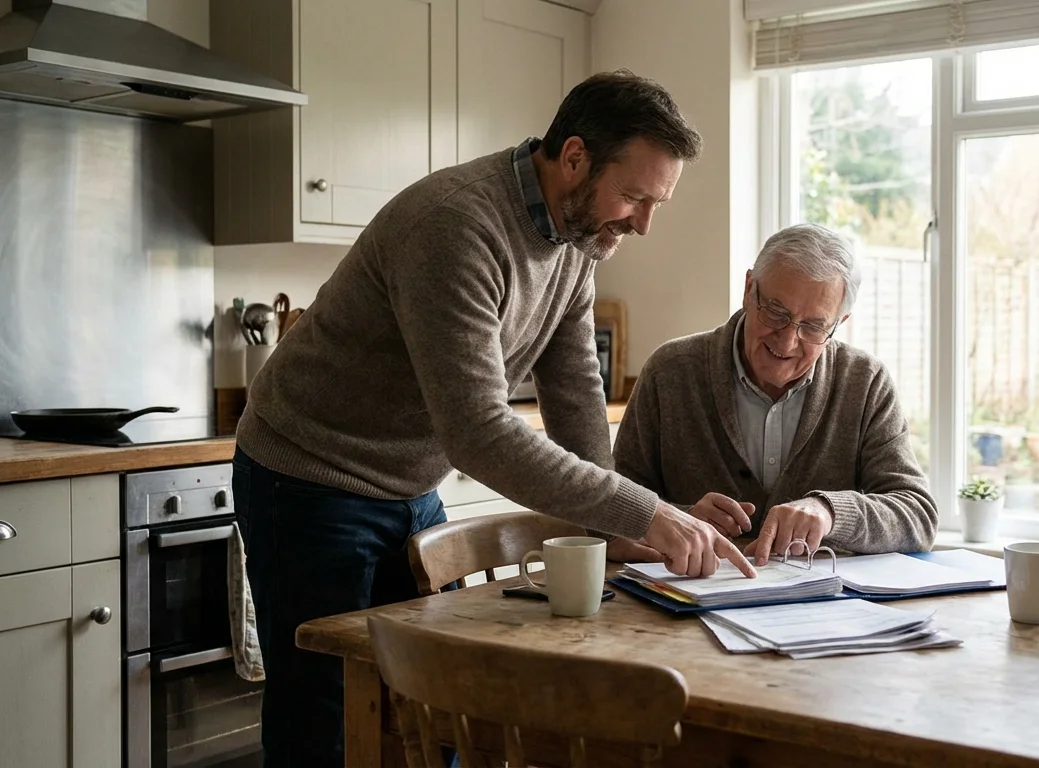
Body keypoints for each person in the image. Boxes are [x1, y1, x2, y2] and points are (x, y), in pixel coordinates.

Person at [231, 70, 755, 768]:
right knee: (325, 716)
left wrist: (619, 521)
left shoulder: (578, 243)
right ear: (573, 158)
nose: (643, 222)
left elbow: (575, 397)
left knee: (430, 706)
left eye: (656, 202)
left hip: (406, 484)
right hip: (305, 478)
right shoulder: (456, 225)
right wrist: (645, 511)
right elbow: (477, 430)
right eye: (634, 196)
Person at [608, 223, 940, 566]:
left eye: (813, 326)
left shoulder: (865, 383)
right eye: (776, 313)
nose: (787, 341)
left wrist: (829, 512)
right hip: (684, 608)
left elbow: (917, 517)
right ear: (749, 288)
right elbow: (608, 507)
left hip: (823, 611)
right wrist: (678, 518)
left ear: (840, 322)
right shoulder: (671, 372)